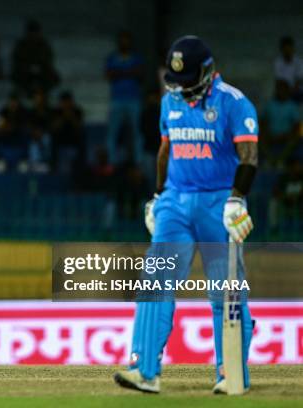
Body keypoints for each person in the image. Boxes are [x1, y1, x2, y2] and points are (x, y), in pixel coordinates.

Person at [114, 36, 258, 394]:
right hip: (175, 202)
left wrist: (237, 199)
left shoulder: (234, 103)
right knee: (153, 280)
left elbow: (249, 158)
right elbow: (165, 151)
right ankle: (145, 370)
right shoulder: (170, 101)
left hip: (218, 202)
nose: (185, 91)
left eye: (190, 83)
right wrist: (157, 196)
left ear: (208, 72)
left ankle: (232, 373)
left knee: (225, 288)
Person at [104, 30, 144, 164]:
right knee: (112, 134)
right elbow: (109, 75)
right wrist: (129, 71)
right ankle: (112, 163)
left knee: (138, 133)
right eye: (122, 40)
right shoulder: (112, 57)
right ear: (119, 42)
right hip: (117, 100)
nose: (124, 43)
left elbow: (139, 74)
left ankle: (139, 164)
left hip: (134, 99)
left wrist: (120, 72)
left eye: (127, 40)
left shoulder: (137, 57)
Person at [11, 20, 59, 96]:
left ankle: (42, 95)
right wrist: (28, 67)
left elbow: (48, 59)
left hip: (42, 70)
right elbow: (16, 60)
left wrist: (39, 66)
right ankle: (29, 93)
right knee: (19, 77)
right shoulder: (21, 45)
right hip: (24, 71)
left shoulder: (43, 44)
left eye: (35, 32)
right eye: (32, 32)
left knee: (52, 78)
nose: (33, 34)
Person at [260, 79, 301, 166]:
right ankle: (270, 160)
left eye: (283, 89)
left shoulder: (292, 106)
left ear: (288, 91)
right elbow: (263, 122)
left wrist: (286, 135)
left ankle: (280, 161)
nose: (281, 91)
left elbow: (297, 125)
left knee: (295, 140)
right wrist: (267, 134)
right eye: (279, 89)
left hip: (286, 136)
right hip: (271, 135)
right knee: (256, 139)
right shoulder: (270, 105)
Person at [274, 36, 303, 102]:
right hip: (283, 91)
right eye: (286, 50)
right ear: (282, 50)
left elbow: (299, 81)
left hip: (297, 91)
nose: (288, 52)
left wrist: (291, 91)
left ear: (292, 49)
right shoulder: (278, 62)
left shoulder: (299, 62)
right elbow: (279, 81)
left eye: (289, 49)